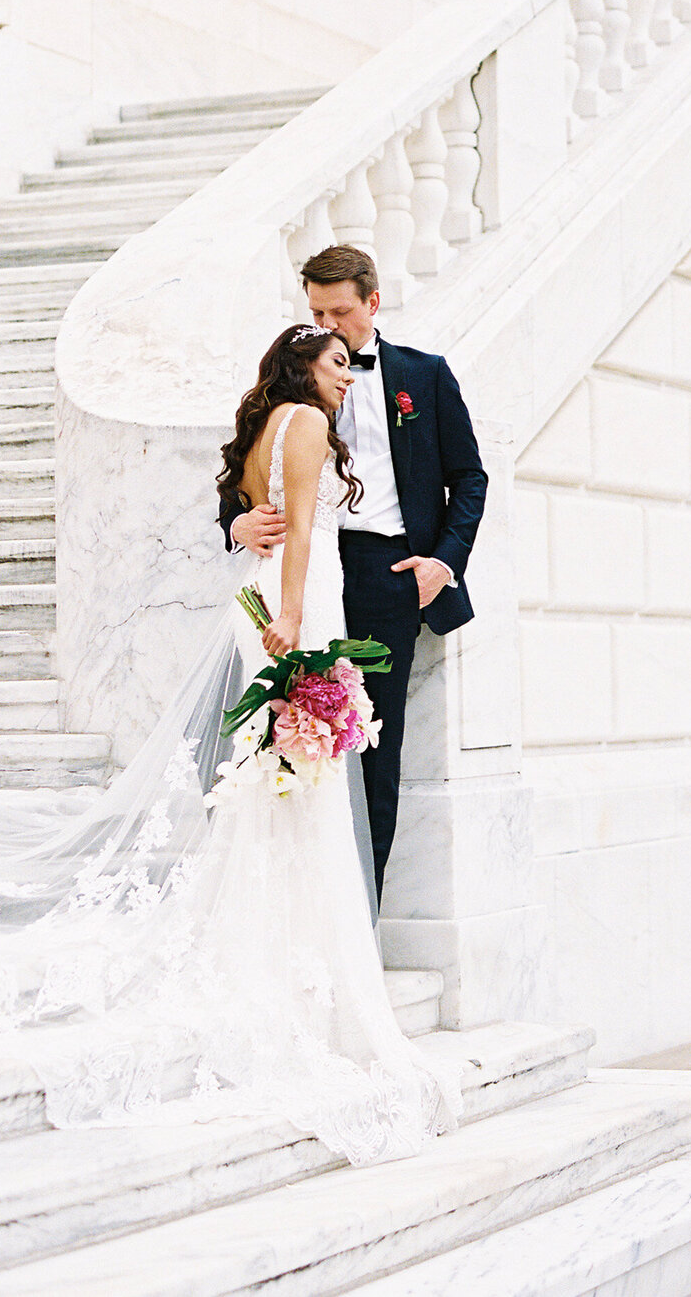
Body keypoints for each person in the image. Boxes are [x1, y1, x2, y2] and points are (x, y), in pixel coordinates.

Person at [0, 323, 459, 1163]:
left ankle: (291, 947)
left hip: (271, 606)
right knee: (295, 777)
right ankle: (300, 959)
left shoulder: (265, 426)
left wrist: (261, 568)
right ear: (305, 364)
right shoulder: (309, 424)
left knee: (277, 778)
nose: (347, 380)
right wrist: (297, 623)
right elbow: (292, 541)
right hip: (298, 609)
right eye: (336, 366)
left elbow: (257, 517)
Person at [220, 246, 487, 901]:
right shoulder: (292, 388)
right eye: (316, 311)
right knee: (289, 738)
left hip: (390, 570)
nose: (330, 324)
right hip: (309, 577)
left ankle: (356, 924)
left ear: (373, 302)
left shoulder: (424, 376)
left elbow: (470, 477)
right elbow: (249, 476)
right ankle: (292, 913)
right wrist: (234, 524)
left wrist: (441, 564)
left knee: (371, 752)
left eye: (341, 310)